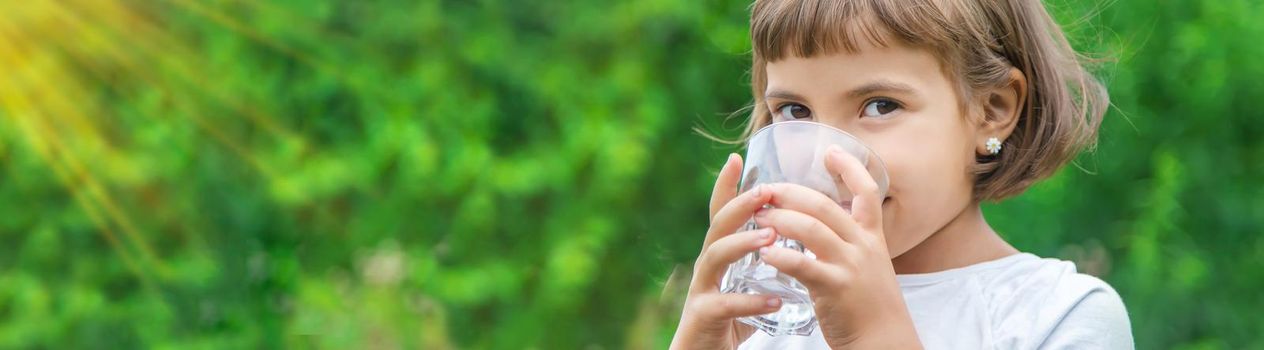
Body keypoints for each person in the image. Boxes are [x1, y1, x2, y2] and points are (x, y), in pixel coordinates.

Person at [671, 0, 1133, 348]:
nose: (823, 159)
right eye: (795, 111)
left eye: (880, 106)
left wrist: (876, 336)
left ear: (992, 109)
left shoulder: (1057, 314)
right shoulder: (772, 315)